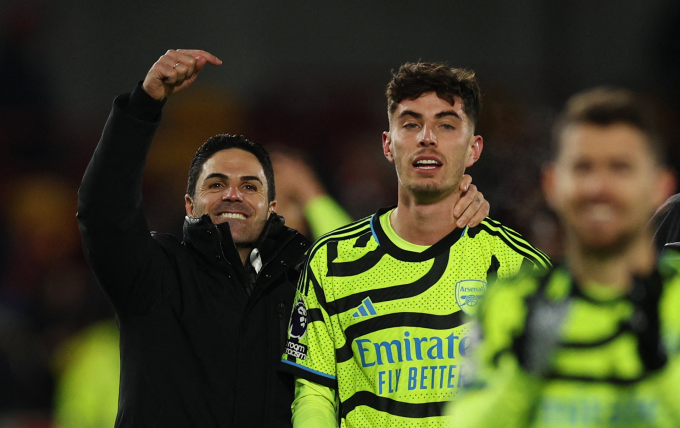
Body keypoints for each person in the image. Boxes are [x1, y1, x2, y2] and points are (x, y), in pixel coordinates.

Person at [76, 50, 489, 428]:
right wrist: (143, 105)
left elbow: (366, 270)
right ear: (189, 204)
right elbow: (102, 211)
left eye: (251, 186)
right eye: (216, 184)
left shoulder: (302, 282)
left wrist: (449, 205)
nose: (233, 194)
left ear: (273, 207)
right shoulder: (154, 274)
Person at [280, 62, 551, 428]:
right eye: (410, 124)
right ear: (388, 145)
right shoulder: (332, 260)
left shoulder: (517, 267)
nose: (427, 137)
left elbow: (545, 397)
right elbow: (315, 392)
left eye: (446, 125)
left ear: (474, 149)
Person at [449, 87, 680, 427]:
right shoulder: (509, 303)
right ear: (552, 184)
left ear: (660, 186)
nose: (599, 188)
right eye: (583, 168)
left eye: (621, 168)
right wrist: (523, 373)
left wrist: (660, 368)